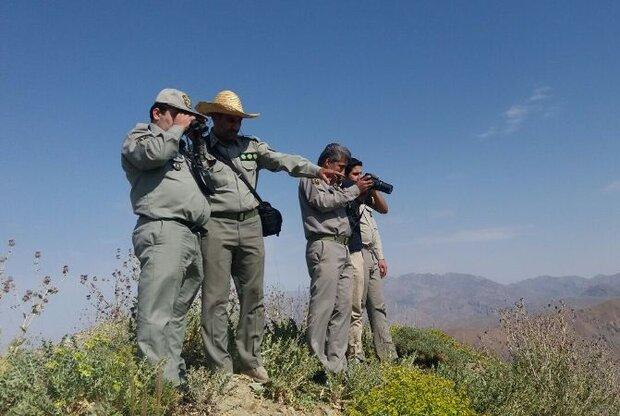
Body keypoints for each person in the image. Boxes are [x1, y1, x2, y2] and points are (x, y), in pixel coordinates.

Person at [194, 90, 341, 383]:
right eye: (228, 119)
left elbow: (281, 160)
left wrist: (315, 170)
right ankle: (218, 368)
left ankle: (250, 360)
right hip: (215, 226)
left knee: (253, 297)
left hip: (250, 226)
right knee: (214, 300)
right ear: (213, 117)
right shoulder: (198, 148)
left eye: (238, 120)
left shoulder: (252, 147)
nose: (234, 125)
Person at [121, 88, 210, 386]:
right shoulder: (141, 137)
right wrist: (177, 130)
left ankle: (173, 380)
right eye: (177, 114)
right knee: (156, 311)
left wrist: (194, 139)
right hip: (163, 229)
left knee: (176, 313)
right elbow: (153, 154)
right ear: (157, 113)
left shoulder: (181, 149)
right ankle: (155, 387)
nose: (184, 121)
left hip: (190, 235)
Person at [298, 144, 374, 375]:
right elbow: (321, 203)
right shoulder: (311, 177)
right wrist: (353, 191)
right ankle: (314, 362)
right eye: (340, 167)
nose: (342, 172)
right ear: (327, 162)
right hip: (324, 245)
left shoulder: (338, 186)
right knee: (323, 307)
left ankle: (336, 364)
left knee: (342, 308)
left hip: (342, 248)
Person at [345, 158, 397, 362]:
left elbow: (383, 211)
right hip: (355, 253)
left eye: (362, 174)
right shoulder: (345, 195)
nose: (360, 177)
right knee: (355, 307)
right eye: (355, 174)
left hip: (371, 254)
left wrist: (373, 188)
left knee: (377, 306)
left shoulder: (365, 197)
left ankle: (388, 356)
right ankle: (356, 355)